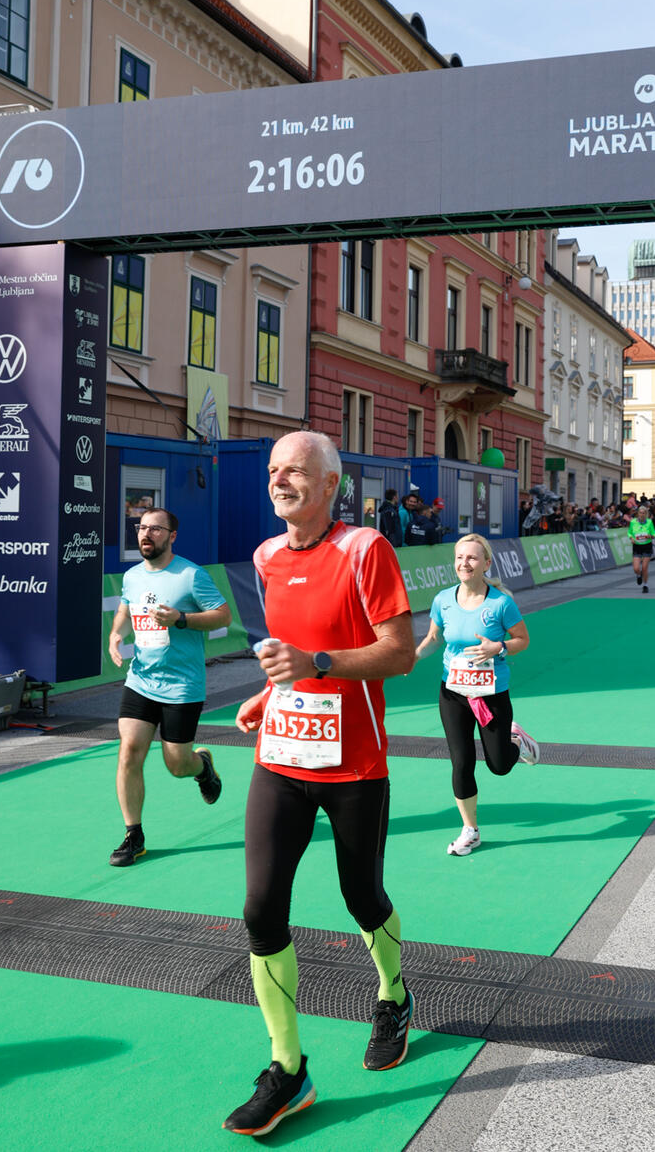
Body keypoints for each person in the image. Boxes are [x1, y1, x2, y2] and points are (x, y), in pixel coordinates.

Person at [224, 431, 416, 1138]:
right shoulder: (266, 556)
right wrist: (266, 694)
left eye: (295, 471)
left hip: (355, 767)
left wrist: (317, 663)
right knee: (260, 907)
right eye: (274, 471)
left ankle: (393, 995)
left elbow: (399, 655)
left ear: (330, 483)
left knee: (361, 896)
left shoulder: (365, 550)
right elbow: (288, 659)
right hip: (281, 757)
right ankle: (287, 1067)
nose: (280, 481)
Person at [107, 509, 232, 867]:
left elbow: (223, 616)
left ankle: (202, 766)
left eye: (155, 529)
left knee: (176, 765)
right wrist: (117, 634)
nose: (146, 535)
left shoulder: (191, 575)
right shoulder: (131, 576)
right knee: (129, 751)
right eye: (142, 528)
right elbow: (126, 609)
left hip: (182, 686)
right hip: (141, 679)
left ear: (172, 536)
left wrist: (181, 619)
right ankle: (134, 835)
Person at [415, 533, 535, 857]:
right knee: (461, 762)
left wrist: (500, 647)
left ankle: (517, 742)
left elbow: (522, 639)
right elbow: (433, 638)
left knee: (498, 764)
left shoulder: (500, 603)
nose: (464, 563)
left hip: (491, 693)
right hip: (453, 692)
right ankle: (470, 830)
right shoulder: (443, 600)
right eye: (459, 558)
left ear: (486, 563)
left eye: (471, 558)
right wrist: (412, 656)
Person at [628, 504, 655, 593]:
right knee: (636, 568)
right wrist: (631, 538)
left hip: (647, 546)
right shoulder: (633, 522)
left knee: (644, 567)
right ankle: (639, 575)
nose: (642, 514)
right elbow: (629, 533)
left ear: (646, 514)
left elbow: (654, 535)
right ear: (638, 514)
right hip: (637, 546)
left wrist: (650, 536)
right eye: (640, 513)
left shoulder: (649, 522)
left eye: (644, 513)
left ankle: (645, 585)